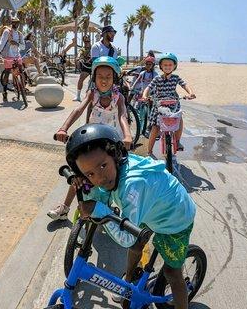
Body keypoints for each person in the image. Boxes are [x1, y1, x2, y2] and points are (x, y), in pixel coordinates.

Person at [66, 123, 196, 309]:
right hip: (149, 207)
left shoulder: (132, 186)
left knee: (172, 272)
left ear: (115, 155)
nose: (100, 178)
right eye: (90, 174)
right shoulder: (114, 173)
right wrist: (88, 188)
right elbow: (102, 196)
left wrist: (97, 209)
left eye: (103, 165)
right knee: (137, 244)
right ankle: (129, 284)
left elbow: (124, 237)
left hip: (175, 216)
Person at [47, 56, 132, 220]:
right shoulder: (92, 94)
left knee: (118, 175)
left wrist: (127, 136)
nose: (104, 80)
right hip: (92, 140)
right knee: (80, 175)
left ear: (115, 78)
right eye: (100, 77)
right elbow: (78, 110)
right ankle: (65, 208)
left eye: (108, 77)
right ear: (94, 78)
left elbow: (122, 115)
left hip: (111, 142)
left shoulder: (118, 97)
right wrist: (63, 128)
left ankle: (123, 209)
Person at [142, 53, 196, 155]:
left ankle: (177, 141)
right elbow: (148, 88)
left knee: (179, 121)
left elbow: (184, 85)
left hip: (173, 104)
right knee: (155, 128)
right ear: (161, 66)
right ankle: (149, 151)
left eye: (170, 65)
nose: (167, 67)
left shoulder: (176, 78)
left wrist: (190, 93)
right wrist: (145, 95)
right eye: (165, 65)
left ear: (174, 66)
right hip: (159, 105)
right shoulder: (157, 79)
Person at [0, 17, 24, 102]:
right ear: (11, 23)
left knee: (21, 70)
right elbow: (2, 42)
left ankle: (21, 87)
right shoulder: (7, 32)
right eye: (14, 23)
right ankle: (4, 92)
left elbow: (23, 46)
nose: (16, 24)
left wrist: (17, 43)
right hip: (8, 55)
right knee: (7, 72)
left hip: (17, 55)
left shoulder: (20, 34)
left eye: (17, 23)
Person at [73, 35, 92, 102]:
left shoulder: (94, 47)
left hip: (94, 65)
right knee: (81, 79)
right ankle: (78, 96)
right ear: (83, 41)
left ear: (90, 40)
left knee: (94, 81)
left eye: (88, 40)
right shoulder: (82, 49)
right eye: (85, 41)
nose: (87, 42)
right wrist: (78, 58)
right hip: (87, 65)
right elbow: (79, 53)